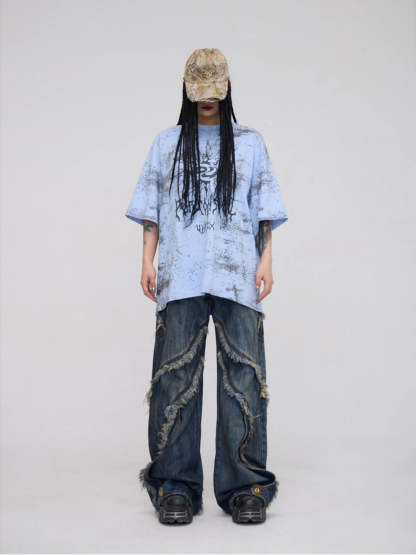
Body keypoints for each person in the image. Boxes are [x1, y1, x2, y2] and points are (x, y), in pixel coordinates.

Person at [125, 48, 288, 525]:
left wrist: (267, 260)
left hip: (238, 273)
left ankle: (245, 485)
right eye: (199, 92)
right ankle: (175, 485)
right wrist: (147, 260)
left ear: (227, 89)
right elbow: (153, 207)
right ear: (187, 91)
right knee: (175, 377)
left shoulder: (250, 144)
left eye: (214, 92)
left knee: (244, 378)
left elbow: (263, 207)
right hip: (181, 272)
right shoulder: (167, 143)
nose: (207, 100)